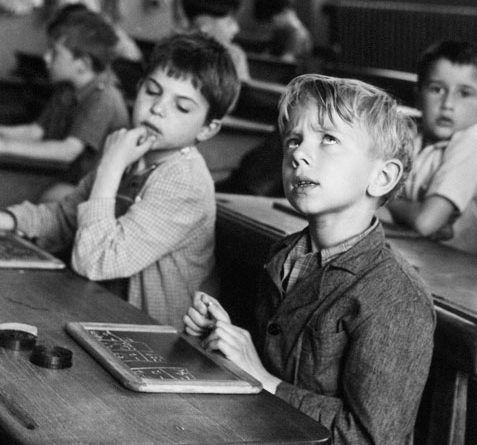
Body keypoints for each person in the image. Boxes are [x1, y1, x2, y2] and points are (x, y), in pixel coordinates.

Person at [184, 74, 435, 444]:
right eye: (294, 141)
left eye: (328, 139)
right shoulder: (285, 255)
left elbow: (369, 438)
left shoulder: (397, 296)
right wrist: (223, 341)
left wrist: (264, 380)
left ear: (382, 177)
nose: (298, 154)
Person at [0, 32, 241, 329]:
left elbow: (97, 261)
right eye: (152, 91)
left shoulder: (184, 181)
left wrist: (111, 166)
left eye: (182, 106)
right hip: (101, 315)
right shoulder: (131, 151)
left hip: (156, 343)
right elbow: (65, 216)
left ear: (207, 129)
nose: (158, 108)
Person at [0, 7, 129, 202]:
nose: (46, 57)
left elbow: (68, 151)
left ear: (82, 64)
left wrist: (3, 146)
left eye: (55, 53)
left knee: (46, 196)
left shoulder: (103, 98)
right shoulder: (67, 90)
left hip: (97, 194)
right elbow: (36, 131)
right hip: (69, 180)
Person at [387, 40, 477, 262]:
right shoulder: (413, 139)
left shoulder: (473, 145)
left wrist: (386, 200)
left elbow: (425, 222)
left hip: (475, 275)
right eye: (436, 89)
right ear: (418, 97)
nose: (447, 103)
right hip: (428, 259)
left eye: (464, 93)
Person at [179, 0, 250, 80]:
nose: (236, 29)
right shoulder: (175, 52)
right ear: (204, 24)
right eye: (229, 23)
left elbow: (243, 90)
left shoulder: (235, 55)